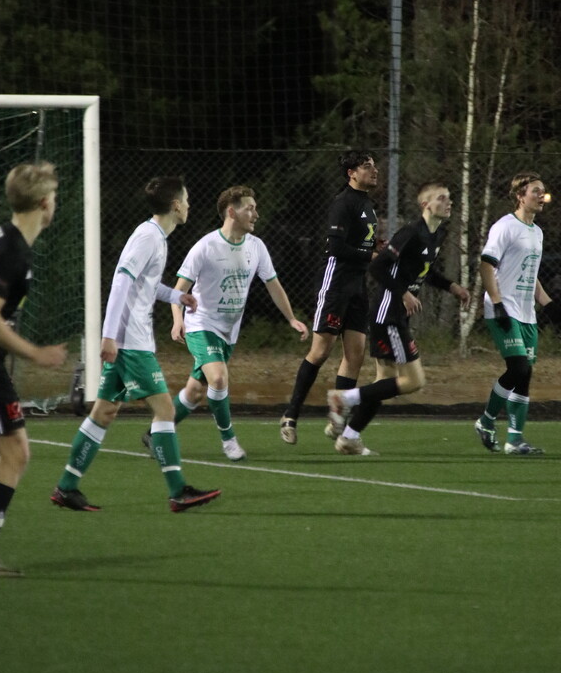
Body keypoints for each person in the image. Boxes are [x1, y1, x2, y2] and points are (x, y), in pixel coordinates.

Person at [51, 176, 221, 512]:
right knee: (165, 410)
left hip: (128, 340)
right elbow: (121, 282)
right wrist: (109, 336)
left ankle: (66, 487)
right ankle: (178, 491)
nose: (189, 205)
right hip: (131, 343)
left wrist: (177, 296)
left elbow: (145, 284)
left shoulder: (155, 237)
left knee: (104, 412)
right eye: (186, 200)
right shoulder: (147, 237)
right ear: (176, 206)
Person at [142, 185, 308, 460]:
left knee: (195, 392)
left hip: (228, 332)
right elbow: (179, 290)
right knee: (218, 378)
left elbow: (273, 285)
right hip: (201, 324)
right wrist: (177, 320)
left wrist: (291, 318)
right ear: (232, 212)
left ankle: (155, 433)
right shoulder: (206, 246)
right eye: (250, 208)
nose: (256, 214)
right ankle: (229, 441)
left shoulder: (256, 247)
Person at [326, 182, 470, 454]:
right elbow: (378, 267)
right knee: (414, 381)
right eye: (442, 198)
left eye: (449, 198)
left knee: (385, 383)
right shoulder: (411, 232)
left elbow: (424, 271)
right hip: (388, 315)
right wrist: (403, 293)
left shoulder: (436, 234)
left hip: (395, 315)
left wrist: (453, 287)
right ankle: (343, 398)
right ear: (426, 205)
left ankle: (349, 437)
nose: (449, 202)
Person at [0, 162, 68, 577]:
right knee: (16, 453)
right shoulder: (11, 252)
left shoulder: (8, 237)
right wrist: (35, 354)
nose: (56, 202)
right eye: (53, 195)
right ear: (43, 203)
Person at [279, 149, 379, 445]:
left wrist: (377, 247)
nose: (374, 170)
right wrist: (370, 254)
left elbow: (362, 242)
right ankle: (290, 415)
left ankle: (337, 419)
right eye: (367, 166)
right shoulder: (343, 202)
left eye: (374, 165)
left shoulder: (367, 203)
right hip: (335, 283)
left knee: (355, 355)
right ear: (352, 173)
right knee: (321, 351)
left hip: (358, 284)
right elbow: (336, 247)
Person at [473, 170, 553, 455]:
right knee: (518, 367)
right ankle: (486, 421)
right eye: (535, 191)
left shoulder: (537, 232)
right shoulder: (505, 226)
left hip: (526, 312)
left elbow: (530, 271)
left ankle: (515, 440)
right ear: (520, 196)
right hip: (504, 307)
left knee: (525, 373)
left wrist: (548, 302)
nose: (541, 196)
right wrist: (497, 302)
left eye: (542, 191)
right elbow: (486, 264)